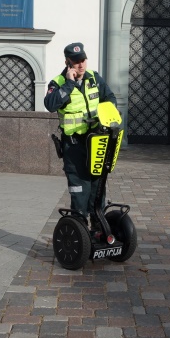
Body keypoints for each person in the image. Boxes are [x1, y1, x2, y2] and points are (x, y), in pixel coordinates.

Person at [44, 43, 117, 233]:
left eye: (83, 60)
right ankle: (80, 227)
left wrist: (107, 117)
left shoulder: (94, 78)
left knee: (97, 184)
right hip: (74, 144)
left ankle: (99, 226)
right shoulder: (58, 83)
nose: (81, 65)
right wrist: (69, 84)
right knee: (80, 187)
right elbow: (50, 105)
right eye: (76, 62)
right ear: (67, 63)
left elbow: (109, 98)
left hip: (96, 140)